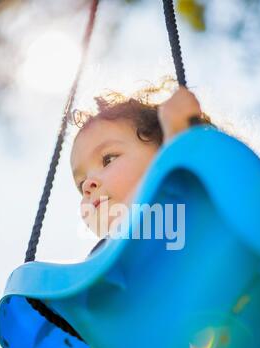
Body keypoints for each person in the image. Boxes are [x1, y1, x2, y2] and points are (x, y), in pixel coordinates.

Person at [70, 77, 212, 251]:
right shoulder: (97, 265)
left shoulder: (198, 204)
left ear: (161, 150)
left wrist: (178, 137)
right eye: (80, 184)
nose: (87, 187)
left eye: (108, 159)